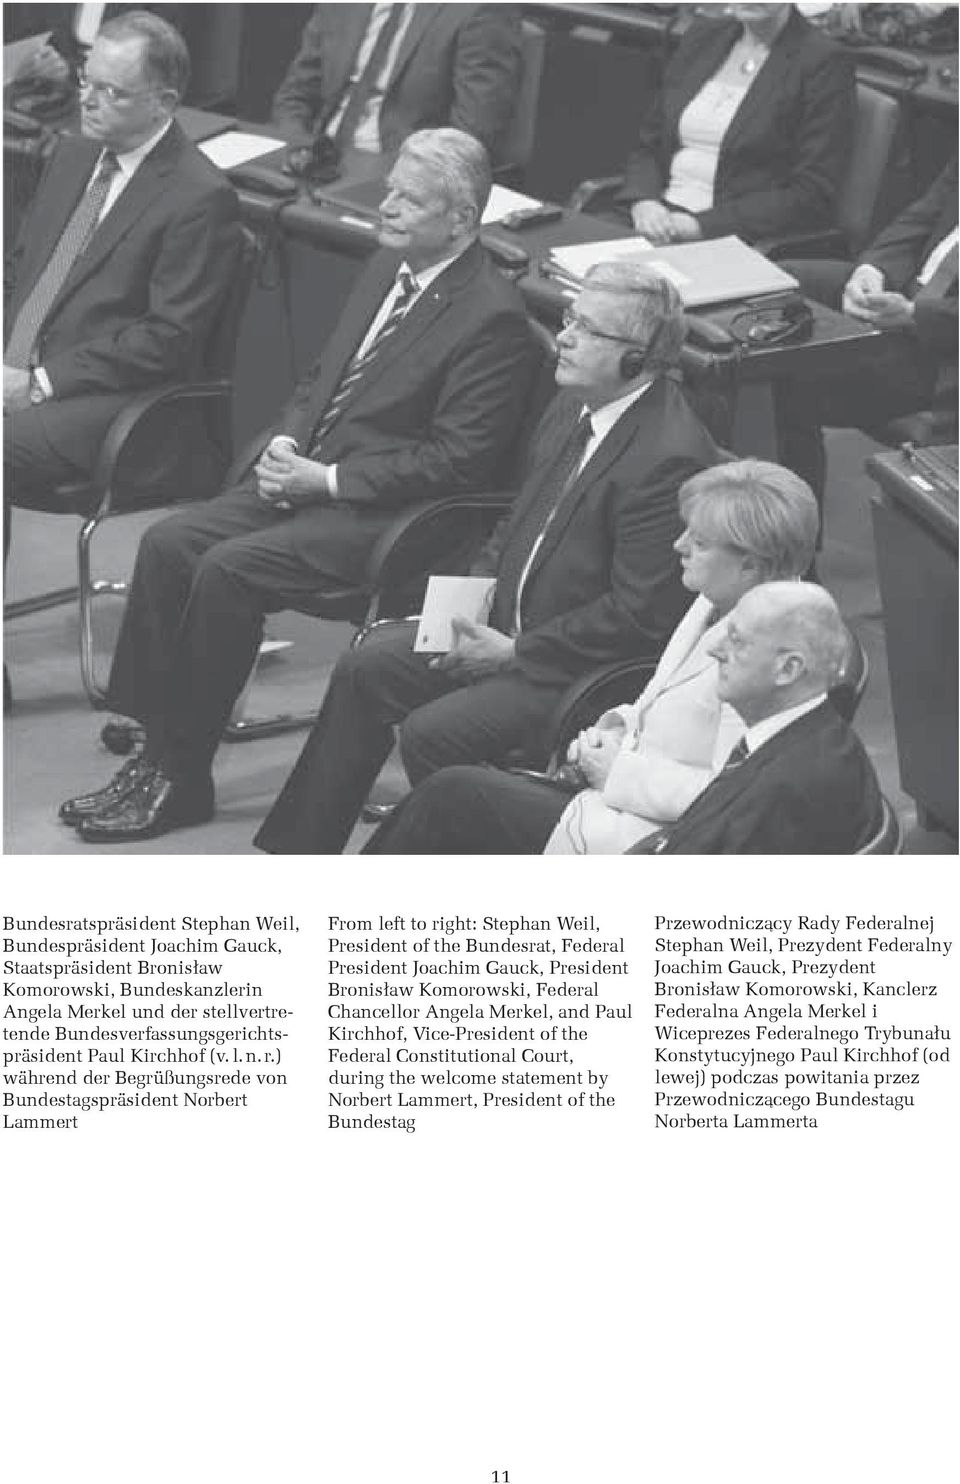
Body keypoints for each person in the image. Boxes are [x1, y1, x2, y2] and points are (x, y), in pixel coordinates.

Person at [58, 127, 537, 843]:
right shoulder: (385, 265)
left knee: (224, 569)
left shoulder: (491, 317)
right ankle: (158, 741)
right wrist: (286, 440)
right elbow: (323, 379)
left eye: (411, 199)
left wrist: (331, 479)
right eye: (392, 189)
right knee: (169, 542)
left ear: (462, 220)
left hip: (385, 515)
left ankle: (180, 778)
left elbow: (458, 460)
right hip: (307, 474)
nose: (390, 206)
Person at [253, 262, 721, 857]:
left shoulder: (666, 458)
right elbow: (514, 524)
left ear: (637, 360)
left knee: (432, 733)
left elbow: (639, 617)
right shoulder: (571, 406)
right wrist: (466, 607)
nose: (565, 338)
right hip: (504, 628)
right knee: (367, 664)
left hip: (573, 669)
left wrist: (514, 651)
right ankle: (299, 852)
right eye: (569, 319)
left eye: (588, 330)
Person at [360, 460, 820, 855]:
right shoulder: (714, 599)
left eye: (699, 542)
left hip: (655, 839)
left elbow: (734, 799)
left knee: (450, 798)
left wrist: (618, 770)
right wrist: (615, 728)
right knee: (448, 801)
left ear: (751, 564)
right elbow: (660, 701)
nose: (678, 546)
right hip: (618, 791)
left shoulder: (770, 659)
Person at [4, 10, 241, 539]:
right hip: (20, 367)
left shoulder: (198, 197)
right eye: (87, 81)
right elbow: (20, 269)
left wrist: (39, 384)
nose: (88, 100)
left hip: (108, 400)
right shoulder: (73, 151)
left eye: (113, 92)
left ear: (166, 103)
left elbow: (166, 340)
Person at [628, 583, 882, 854]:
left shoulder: (786, 794)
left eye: (736, 641)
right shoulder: (809, 735)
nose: (715, 650)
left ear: (788, 669)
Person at [775, 157, 958, 503]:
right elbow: (920, 218)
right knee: (776, 284)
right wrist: (873, 268)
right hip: (905, 292)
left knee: (786, 377)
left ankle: (787, 542)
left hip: (942, 352)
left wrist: (914, 314)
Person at [616, 3, 854, 246]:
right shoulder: (703, 36)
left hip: (733, 235)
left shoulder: (824, 60)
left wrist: (698, 225)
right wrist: (643, 201)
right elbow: (649, 143)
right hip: (654, 218)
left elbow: (811, 192)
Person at [271, 4, 522, 167]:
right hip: (316, 159)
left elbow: (472, 134)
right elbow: (295, 94)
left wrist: (408, 181)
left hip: (401, 173)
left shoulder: (484, 9)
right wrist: (296, 147)